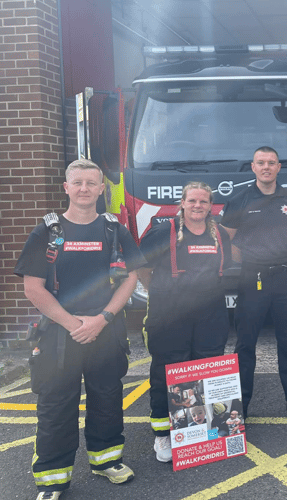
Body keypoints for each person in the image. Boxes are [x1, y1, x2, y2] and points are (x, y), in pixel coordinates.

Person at [14, 159, 145, 500]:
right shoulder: (48, 231)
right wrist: (74, 324)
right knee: (56, 404)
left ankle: (106, 461)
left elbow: (131, 277)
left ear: (102, 188)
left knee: (107, 397)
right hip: (61, 332)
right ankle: (53, 479)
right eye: (78, 183)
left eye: (92, 182)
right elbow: (33, 287)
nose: (85, 189)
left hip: (106, 328)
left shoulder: (114, 229)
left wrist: (102, 319)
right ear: (67, 188)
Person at [138, 181, 232, 463]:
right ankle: (163, 434)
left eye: (203, 202)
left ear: (210, 206)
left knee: (205, 368)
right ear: (182, 203)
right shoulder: (161, 233)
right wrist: (159, 293)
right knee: (167, 370)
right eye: (192, 201)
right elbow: (142, 268)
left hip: (210, 313)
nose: (197, 206)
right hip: (170, 314)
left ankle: (200, 429)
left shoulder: (219, 235)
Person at [221, 146, 287, 422]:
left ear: (278, 167)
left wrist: (278, 257)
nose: (266, 167)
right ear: (253, 167)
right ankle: (241, 407)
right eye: (261, 163)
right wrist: (256, 259)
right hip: (253, 278)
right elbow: (228, 240)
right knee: (245, 344)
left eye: (271, 163)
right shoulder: (239, 200)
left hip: (285, 277)